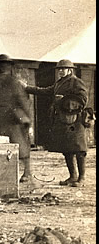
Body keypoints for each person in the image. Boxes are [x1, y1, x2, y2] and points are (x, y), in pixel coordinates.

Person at [25, 59, 89, 187]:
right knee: (67, 149)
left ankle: (81, 179)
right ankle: (72, 176)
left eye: (63, 69)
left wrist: (65, 101)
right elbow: (46, 91)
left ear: (70, 70)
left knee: (79, 149)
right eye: (59, 69)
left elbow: (83, 99)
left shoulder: (75, 82)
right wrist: (27, 88)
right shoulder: (60, 82)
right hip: (63, 119)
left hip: (74, 120)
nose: (60, 71)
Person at [0, 54, 33, 184]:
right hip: (10, 118)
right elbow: (22, 100)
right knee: (20, 144)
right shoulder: (13, 81)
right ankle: (27, 172)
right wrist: (27, 117)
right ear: (8, 67)